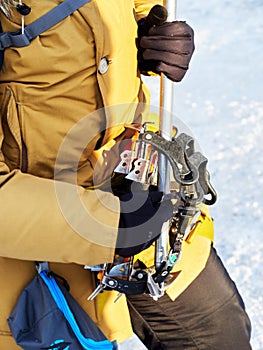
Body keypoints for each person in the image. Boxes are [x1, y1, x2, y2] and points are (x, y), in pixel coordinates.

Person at [0, 0, 251, 349]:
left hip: (140, 186)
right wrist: (108, 226)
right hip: (35, 254)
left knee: (221, 337)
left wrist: (149, 31)